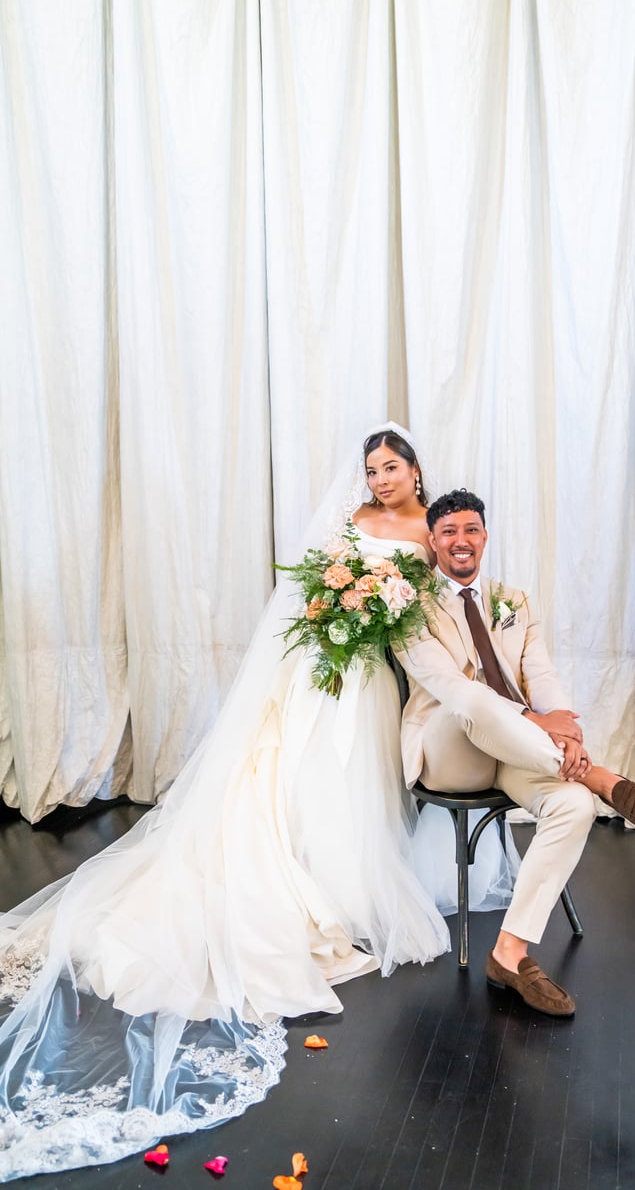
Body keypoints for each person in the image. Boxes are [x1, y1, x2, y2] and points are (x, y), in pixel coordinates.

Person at [0, 425, 457, 1182]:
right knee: (293, 765)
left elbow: (434, 611)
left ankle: (337, 879)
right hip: (324, 660)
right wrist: (337, 609)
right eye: (372, 469)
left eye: (391, 468)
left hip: (374, 670)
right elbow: (317, 584)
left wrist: (390, 624)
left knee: (352, 776)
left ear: (414, 469)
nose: (380, 480)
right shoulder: (355, 520)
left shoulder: (430, 530)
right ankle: (293, 869)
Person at [394, 489, 635, 1018]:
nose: (461, 540)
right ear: (433, 542)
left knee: (574, 806)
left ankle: (510, 952)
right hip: (451, 751)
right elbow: (448, 687)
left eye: (471, 529)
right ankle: (598, 776)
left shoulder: (514, 601)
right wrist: (535, 722)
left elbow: (541, 676)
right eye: (449, 531)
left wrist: (565, 732)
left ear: (485, 536)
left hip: (517, 752)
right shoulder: (408, 608)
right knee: (472, 698)